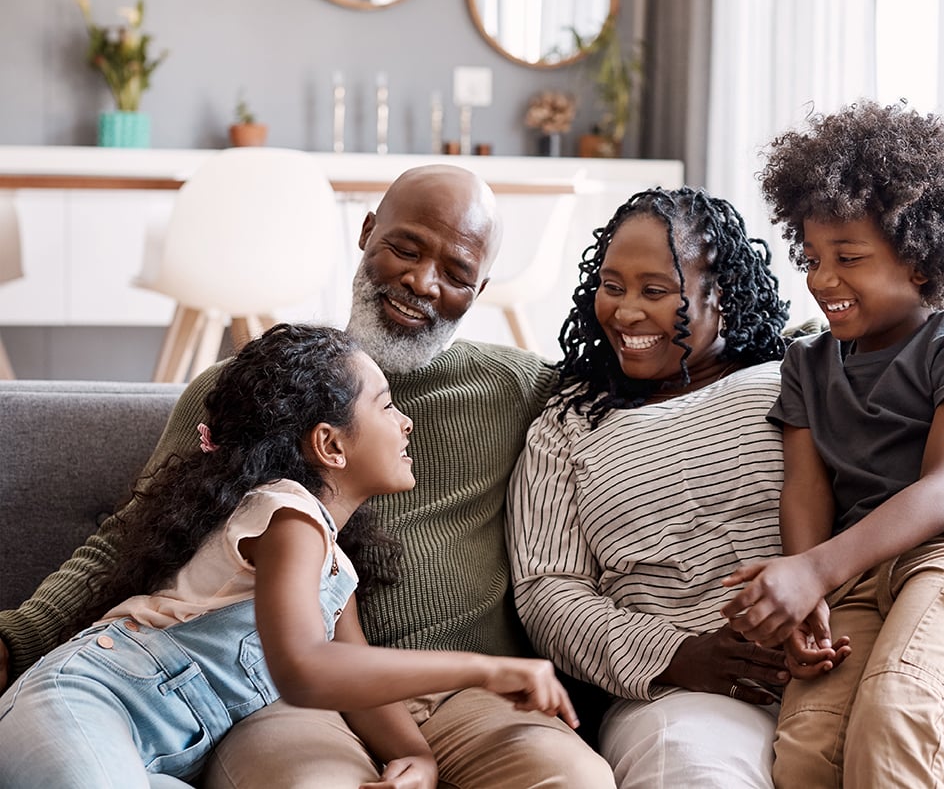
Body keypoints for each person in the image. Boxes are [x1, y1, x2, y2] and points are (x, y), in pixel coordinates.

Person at [0, 165, 615, 788]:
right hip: (283, 702)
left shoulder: (516, 389)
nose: (421, 282)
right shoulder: (247, 396)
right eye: (405, 248)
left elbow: (635, 408)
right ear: (367, 232)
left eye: (456, 274)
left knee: (573, 780)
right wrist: (15, 638)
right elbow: (133, 536)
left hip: (461, 702)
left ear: (478, 291)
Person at [507, 186, 944, 788]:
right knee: (696, 769)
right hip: (691, 687)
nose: (626, 312)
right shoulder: (565, 427)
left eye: (657, 291)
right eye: (611, 287)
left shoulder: (800, 360)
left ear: (721, 292)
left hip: (868, 625)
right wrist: (675, 655)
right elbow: (547, 591)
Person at [0, 323, 577, 787]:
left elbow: (352, 679)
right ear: (330, 444)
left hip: (157, 757)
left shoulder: (332, 564)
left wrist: (417, 756)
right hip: (87, 703)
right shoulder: (285, 516)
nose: (406, 424)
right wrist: (487, 667)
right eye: (385, 407)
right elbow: (305, 670)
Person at [720, 100, 944, 788]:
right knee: (808, 748)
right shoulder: (806, 363)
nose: (821, 279)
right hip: (859, 574)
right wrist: (808, 580)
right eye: (811, 257)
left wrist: (814, 572)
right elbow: (806, 486)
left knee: (897, 706)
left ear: (923, 262)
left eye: (849, 258)